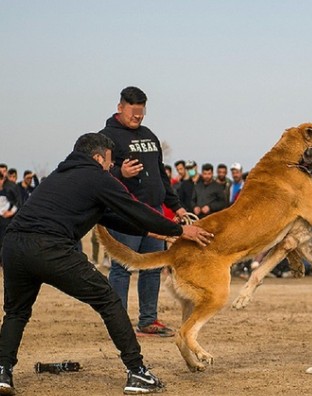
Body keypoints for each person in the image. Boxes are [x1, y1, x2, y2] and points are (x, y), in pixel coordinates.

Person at [0, 133, 213, 395]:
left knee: (17, 312)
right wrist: (180, 230)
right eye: (110, 163)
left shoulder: (59, 175)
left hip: (13, 246)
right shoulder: (97, 177)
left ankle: (3, 373)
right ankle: (137, 372)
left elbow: (113, 217)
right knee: (109, 300)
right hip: (50, 247)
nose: (111, 168)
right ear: (99, 157)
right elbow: (132, 208)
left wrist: (157, 233)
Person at [99, 86, 188, 338]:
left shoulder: (149, 135)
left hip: (155, 211)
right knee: (122, 267)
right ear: (120, 107)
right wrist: (120, 173)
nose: (137, 117)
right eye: (133, 112)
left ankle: (148, 320)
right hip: (125, 213)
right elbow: (97, 174)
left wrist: (176, 205)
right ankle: (118, 323)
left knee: (152, 266)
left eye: (141, 112)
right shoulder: (105, 137)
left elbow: (161, 175)